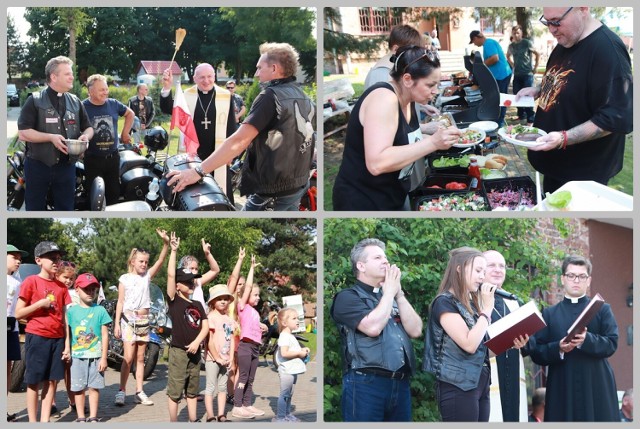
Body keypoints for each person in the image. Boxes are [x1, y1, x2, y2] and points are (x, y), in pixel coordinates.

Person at [166, 43, 315, 212]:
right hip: (298, 183)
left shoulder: (270, 96)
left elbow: (240, 139)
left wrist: (197, 172)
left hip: (272, 189)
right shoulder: (304, 96)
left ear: (274, 68)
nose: (256, 73)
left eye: (259, 68)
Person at [516, 7, 633, 194]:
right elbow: (564, 79)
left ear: (583, 8)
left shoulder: (608, 51)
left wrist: (563, 138)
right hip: (555, 165)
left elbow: (615, 117)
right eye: (547, 22)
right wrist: (538, 89)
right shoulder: (566, 40)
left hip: (581, 175)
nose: (551, 29)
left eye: (556, 20)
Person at [332, 45, 462, 211]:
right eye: (430, 85)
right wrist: (433, 143)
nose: (435, 91)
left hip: (393, 195)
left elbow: (400, 138)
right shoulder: (384, 99)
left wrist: (433, 134)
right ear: (407, 79)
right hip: (364, 202)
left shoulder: (408, 99)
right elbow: (377, 163)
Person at [330, 238, 422, 421]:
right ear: (361, 266)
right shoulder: (347, 297)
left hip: (400, 383)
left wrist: (399, 294)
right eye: (378, 257)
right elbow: (372, 328)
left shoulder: (391, 297)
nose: (386, 261)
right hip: (366, 383)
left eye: (386, 257)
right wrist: (388, 293)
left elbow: (416, 330)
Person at [521, 255, 619, 421]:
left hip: (596, 385)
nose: (576, 280)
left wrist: (586, 340)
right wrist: (558, 348)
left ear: (588, 280)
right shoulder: (549, 314)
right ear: (562, 279)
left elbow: (612, 343)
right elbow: (537, 351)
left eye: (582, 276)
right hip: (562, 386)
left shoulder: (602, 310)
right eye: (571, 275)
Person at [423, 247, 500, 422]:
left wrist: (510, 341)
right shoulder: (444, 302)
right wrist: (486, 311)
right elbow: (469, 344)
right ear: (459, 269)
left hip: (480, 384)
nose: (482, 276)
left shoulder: (472, 307)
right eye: (478, 270)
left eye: (484, 272)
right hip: (458, 386)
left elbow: (482, 351)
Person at [17, 56, 93, 211]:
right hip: (38, 166)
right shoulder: (35, 100)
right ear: (53, 76)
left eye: (71, 73)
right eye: (67, 74)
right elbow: (23, 133)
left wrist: (86, 136)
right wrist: (50, 137)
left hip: (67, 167)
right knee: (34, 208)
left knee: (66, 209)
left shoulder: (76, 101)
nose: (72, 77)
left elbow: (89, 128)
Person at [160, 63, 236, 200]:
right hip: (193, 154)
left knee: (221, 196)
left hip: (217, 153)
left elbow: (231, 126)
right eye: (201, 77)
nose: (206, 81)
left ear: (214, 77)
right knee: (195, 197)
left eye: (209, 76)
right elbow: (168, 109)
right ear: (194, 78)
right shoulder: (186, 95)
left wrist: (231, 153)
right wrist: (167, 87)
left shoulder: (226, 96)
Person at [15, 241, 71, 422]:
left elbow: (64, 318)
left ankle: (45, 420)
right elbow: (18, 313)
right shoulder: (31, 281)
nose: (57, 262)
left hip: (57, 339)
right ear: (38, 260)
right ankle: (33, 421)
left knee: (52, 381)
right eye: (52, 258)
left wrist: (67, 344)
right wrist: (39, 304)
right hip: (37, 336)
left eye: (59, 259)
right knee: (34, 382)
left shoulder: (62, 287)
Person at [113, 228, 170, 407]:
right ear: (132, 261)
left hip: (143, 321)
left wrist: (166, 243)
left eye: (146, 262)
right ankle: (121, 391)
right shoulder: (124, 279)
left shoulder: (147, 277)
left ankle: (139, 391)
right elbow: (120, 303)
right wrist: (116, 324)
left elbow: (161, 261)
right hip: (128, 321)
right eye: (141, 261)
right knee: (128, 358)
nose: (144, 264)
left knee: (140, 358)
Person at [363, 25, 440, 135]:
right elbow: (383, 128)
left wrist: (422, 107)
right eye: (412, 51)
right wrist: (425, 128)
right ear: (395, 50)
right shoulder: (381, 78)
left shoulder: (397, 71)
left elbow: (400, 103)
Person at [165, 232, 209, 422]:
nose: (191, 283)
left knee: (192, 390)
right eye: (187, 281)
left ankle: (193, 420)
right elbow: (170, 274)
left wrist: (197, 342)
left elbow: (205, 326)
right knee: (175, 390)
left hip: (195, 351)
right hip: (178, 352)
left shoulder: (197, 305)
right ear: (177, 285)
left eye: (193, 280)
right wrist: (174, 251)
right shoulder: (174, 301)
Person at [483, 250, 528, 422]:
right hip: (488, 376)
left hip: (513, 374)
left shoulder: (514, 302)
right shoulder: (472, 299)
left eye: (502, 266)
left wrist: (524, 342)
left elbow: (532, 345)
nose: (498, 270)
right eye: (492, 265)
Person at [63, 273, 111, 423]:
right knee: (77, 388)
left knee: (94, 387)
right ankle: (81, 417)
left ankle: (93, 417)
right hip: (77, 357)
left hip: (96, 357)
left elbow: (104, 335)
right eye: (86, 289)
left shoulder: (100, 311)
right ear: (77, 289)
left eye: (93, 289)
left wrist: (104, 357)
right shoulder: (71, 312)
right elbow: (68, 334)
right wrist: (67, 350)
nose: (90, 292)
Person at [82, 74, 135, 205]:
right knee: (94, 196)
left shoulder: (114, 104)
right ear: (90, 91)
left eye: (106, 89)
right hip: (92, 159)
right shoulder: (82, 107)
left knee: (113, 193)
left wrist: (125, 133)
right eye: (101, 90)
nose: (106, 92)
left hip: (113, 158)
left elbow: (130, 114)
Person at [231, 255, 267, 419]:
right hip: (245, 347)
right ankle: (237, 406)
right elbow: (248, 287)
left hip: (255, 348)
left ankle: (247, 404)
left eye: (258, 295)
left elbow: (255, 328)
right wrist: (252, 268)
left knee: (251, 379)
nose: (257, 298)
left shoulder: (255, 312)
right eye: (255, 295)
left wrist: (263, 328)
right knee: (243, 377)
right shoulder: (242, 306)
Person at [47, 261, 78, 415]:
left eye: (71, 279)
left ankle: (73, 400)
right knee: (53, 372)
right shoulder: (53, 290)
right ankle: (50, 401)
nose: (68, 281)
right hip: (56, 334)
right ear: (57, 275)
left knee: (69, 369)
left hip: (71, 336)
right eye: (65, 277)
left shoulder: (74, 293)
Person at [204, 284, 236, 422]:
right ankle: (210, 415)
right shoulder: (211, 317)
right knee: (210, 386)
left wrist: (231, 358)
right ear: (212, 302)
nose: (223, 301)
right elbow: (208, 341)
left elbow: (233, 340)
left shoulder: (229, 319)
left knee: (223, 387)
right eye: (219, 299)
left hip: (226, 359)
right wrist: (217, 358)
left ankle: (221, 414)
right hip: (213, 359)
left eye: (225, 298)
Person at [273, 307, 310, 422]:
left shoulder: (290, 336)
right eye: (294, 318)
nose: (297, 321)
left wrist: (304, 350)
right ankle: (280, 417)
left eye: (297, 318)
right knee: (284, 394)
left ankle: (287, 414)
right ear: (284, 323)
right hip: (286, 371)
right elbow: (284, 353)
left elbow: (294, 350)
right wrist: (299, 353)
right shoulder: (284, 336)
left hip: (292, 371)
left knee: (289, 394)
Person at [469, 30, 512, 126]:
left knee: (501, 99)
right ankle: (498, 119)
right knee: (498, 98)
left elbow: (494, 58)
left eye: (474, 42)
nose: (475, 44)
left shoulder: (488, 43)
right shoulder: (487, 44)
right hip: (500, 74)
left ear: (476, 38)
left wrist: (482, 66)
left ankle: (500, 121)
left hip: (502, 75)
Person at [364, 25, 423, 90]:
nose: (414, 57)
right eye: (411, 52)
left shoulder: (391, 70)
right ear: (396, 49)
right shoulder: (382, 75)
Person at [7, 244, 28, 422]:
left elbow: (19, 308)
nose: (18, 261)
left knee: (7, 371)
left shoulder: (18, 282)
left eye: (20, 258)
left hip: (11, 330)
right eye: (14, 257)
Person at [506, 25, 540, 125]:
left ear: (521, 33)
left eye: (518, 33)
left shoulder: (526, 43)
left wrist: (536, 67)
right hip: (517, 74)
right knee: (517, 94)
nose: (516, 35)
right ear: (512, 34)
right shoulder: (511, 46)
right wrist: (512, 64)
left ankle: (530, 119)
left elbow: (537, 53)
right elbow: (507, 56)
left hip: (527, 74)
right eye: (514, 33)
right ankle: (521, 115)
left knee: (528, 96)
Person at [177, 238, 221, 313]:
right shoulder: (178, 285)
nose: (194, 271)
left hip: (201, 319)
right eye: (191, 268)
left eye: (196, 269)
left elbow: (215, 270)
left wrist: (207, 254)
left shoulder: (198, 281)